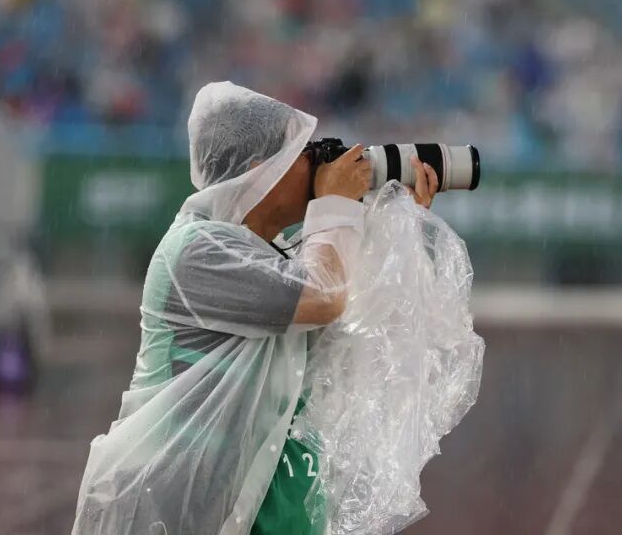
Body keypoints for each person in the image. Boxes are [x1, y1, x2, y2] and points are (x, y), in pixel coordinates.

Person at [73, 81, 439, 535]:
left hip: (259, 505)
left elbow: (351, 327)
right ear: (258, 172)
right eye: (302, 154)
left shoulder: (272, 254)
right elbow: (323, 295)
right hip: (177, 508)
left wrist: (398, 223)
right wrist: (332, 205)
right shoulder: (195, 249)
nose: (314, 166)